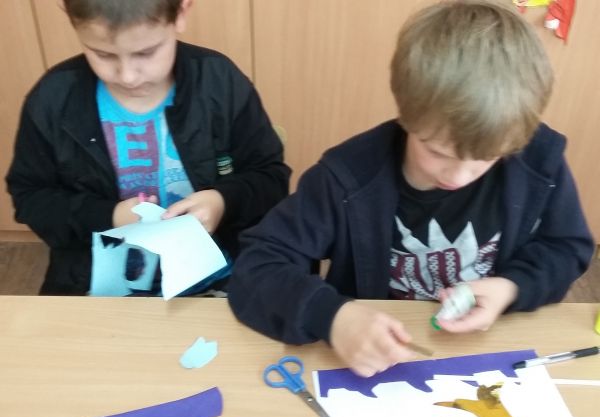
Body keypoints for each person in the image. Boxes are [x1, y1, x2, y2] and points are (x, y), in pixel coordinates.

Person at [227, 0, 594, 377]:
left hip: (487, 349)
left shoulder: (537, 160)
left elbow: (567, 248)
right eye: (437, 152)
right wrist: (333, 317)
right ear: (407, 116)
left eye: (485, 158)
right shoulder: (346, 178)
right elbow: (257, 267)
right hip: (375, 360)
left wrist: (511, 288)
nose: (459, 177)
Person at [6, 0, 290, 296]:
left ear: (181, 12)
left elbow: (271, 178)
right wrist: (109, 217)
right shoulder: (53, 99)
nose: (127, 76)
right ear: (70, 17)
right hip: (97, 287)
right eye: (103, 54)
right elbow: (31, 199)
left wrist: (222, 201)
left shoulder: (220, 82)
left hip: (218, 279)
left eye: (146, 52)